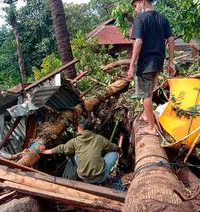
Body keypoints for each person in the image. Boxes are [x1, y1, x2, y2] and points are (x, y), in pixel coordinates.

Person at [127, 0, 175, 135]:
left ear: (142, 2)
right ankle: (144, 114)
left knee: (145, 96)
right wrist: (170, 62)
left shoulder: (140, 19)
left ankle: (151, 128)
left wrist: (131, 65)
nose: (136, 10)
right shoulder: (162, 18)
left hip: (145, 63)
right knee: (150, 90)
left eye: (136, 6)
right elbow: (171, 39)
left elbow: (138, 41)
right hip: (158, 62)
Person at [41, 120, 119, 184]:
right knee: (114, 154)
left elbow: (62, 148)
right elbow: (113, 147)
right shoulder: (99, 138)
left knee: (76, 156)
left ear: (80, 128)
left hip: (83, 177)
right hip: (100, 177)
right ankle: (102, 177)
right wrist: (119, 149)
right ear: (91, 130)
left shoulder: (75, 141)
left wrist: (45, 151)